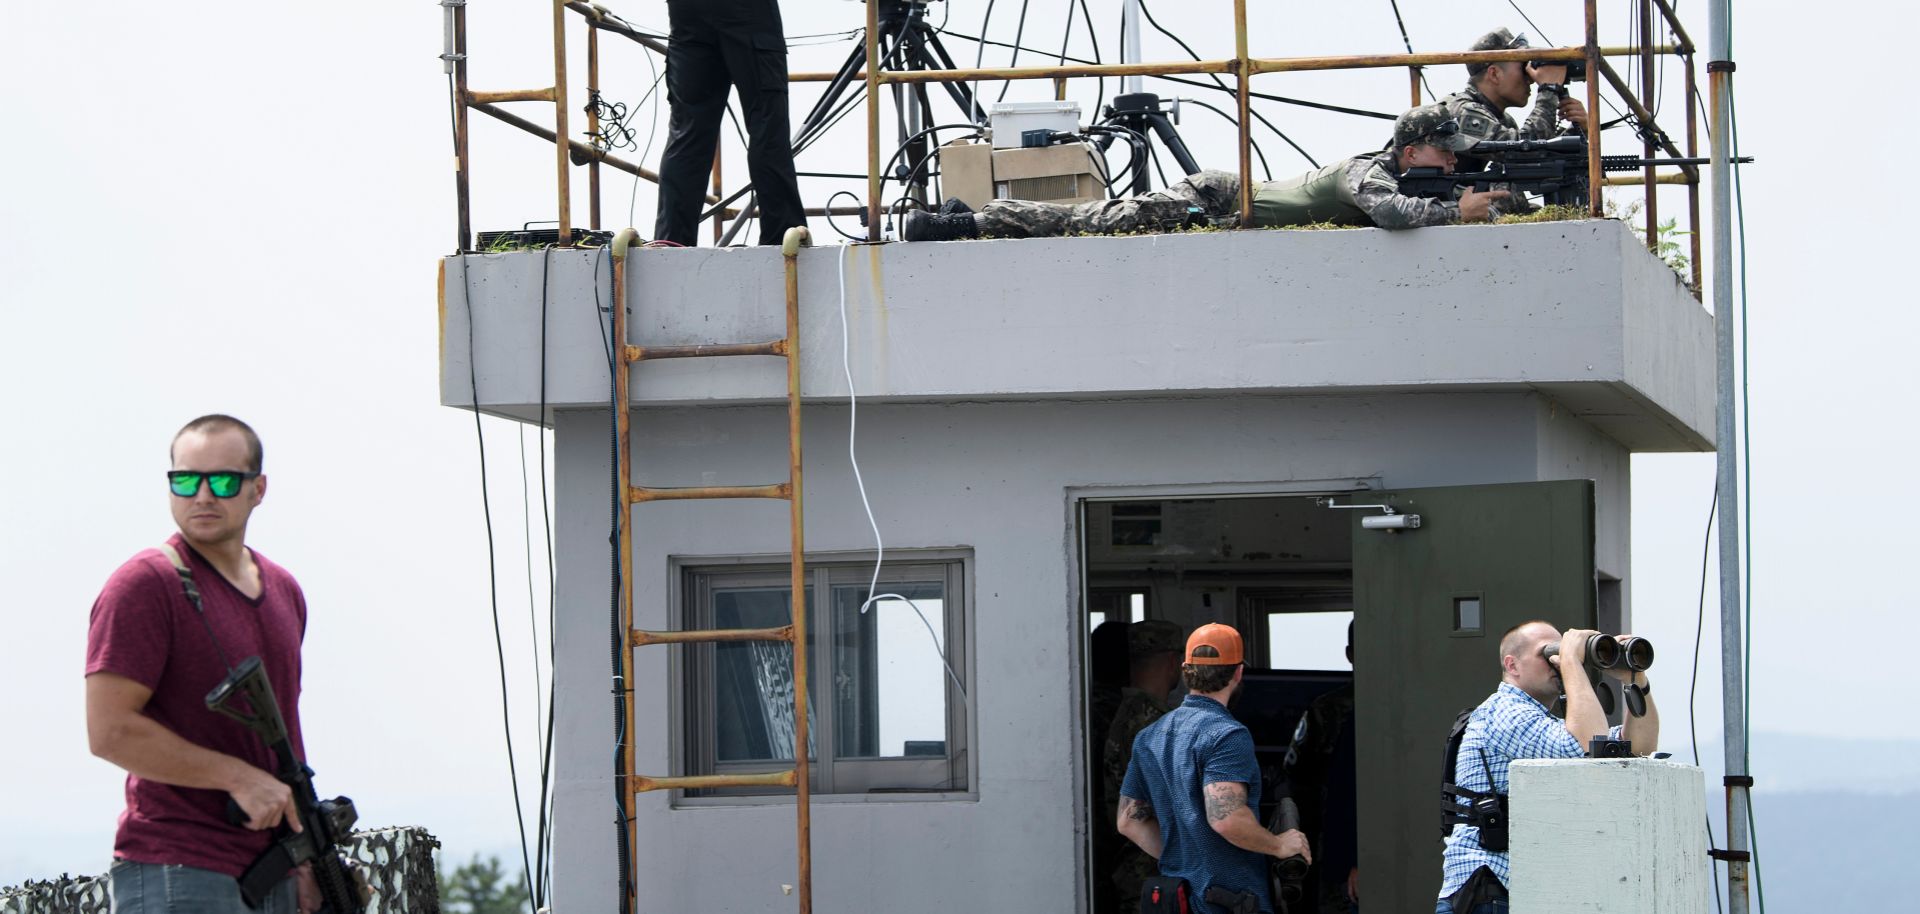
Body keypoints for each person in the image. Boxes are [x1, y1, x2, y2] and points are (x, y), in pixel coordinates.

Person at [86, 415, 318, 914]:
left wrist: (308, 860)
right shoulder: (144, 586)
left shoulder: (284, 590)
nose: (204, 495)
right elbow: (109, 731)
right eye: (187, 480)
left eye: (225, 480)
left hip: (273, 869)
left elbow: (283, 738)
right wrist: (237, 777)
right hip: (179, 870)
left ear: (258, 489)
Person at [903, 104, 1510, 242]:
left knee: (1096, 219)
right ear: (1410, 153)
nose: (1452, 163)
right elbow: (1390, 214)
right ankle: (971, 223)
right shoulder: (1367, 173)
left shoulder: (1394, 173)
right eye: (1444, 154)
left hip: (1227, 203)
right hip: (1215, 199)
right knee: (1094, 220)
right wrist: (1458, 210)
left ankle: (971, 219)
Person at [1436, 621, 1660, 914]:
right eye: (1548, 654)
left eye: (1560, 653)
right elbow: (1587, 746)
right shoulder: (1504, 713)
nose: (1557, 661)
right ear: (1512, 665)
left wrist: (1635, 679)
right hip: (1486, 890)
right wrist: (1570, 661)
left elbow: (1640, 746)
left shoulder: (1543, 724)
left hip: (1509, 892)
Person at [1117, 623, 1313, 914]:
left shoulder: (1150, 736)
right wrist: (1278, 845)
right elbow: (1226, 819)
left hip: (1176, 900)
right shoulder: (1227, 735)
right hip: (1228, 902)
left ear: (1185, 670)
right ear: (1238, 673)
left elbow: (1128, 821)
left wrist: (1184, 859)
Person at [653, 0, 806, 246]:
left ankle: (672, 240)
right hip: (747, 11)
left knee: (687, 131)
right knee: (767, 125)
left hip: (687, 13)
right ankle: (782, 238)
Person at [1100, 620, 1186, 913]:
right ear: (1174, 662)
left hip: (1137, 872)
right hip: (1155, 874)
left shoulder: (1128, 713)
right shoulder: (1157, 723)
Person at [1438, 28, 1589, 174]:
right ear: (1494, 74)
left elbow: (1538, 161)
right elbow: (1525, 152)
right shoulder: (1462, 111)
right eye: (1524, 67)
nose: (1530, 78)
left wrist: (1579, 129)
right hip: (1442, 199)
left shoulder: (1502, 120)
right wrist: (1548, 89)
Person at [1283, 622, 1357, 914]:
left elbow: (1294, 773)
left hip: (1331, 838)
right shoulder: (1403, 704)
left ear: (1350, 654)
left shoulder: (1326, 708)